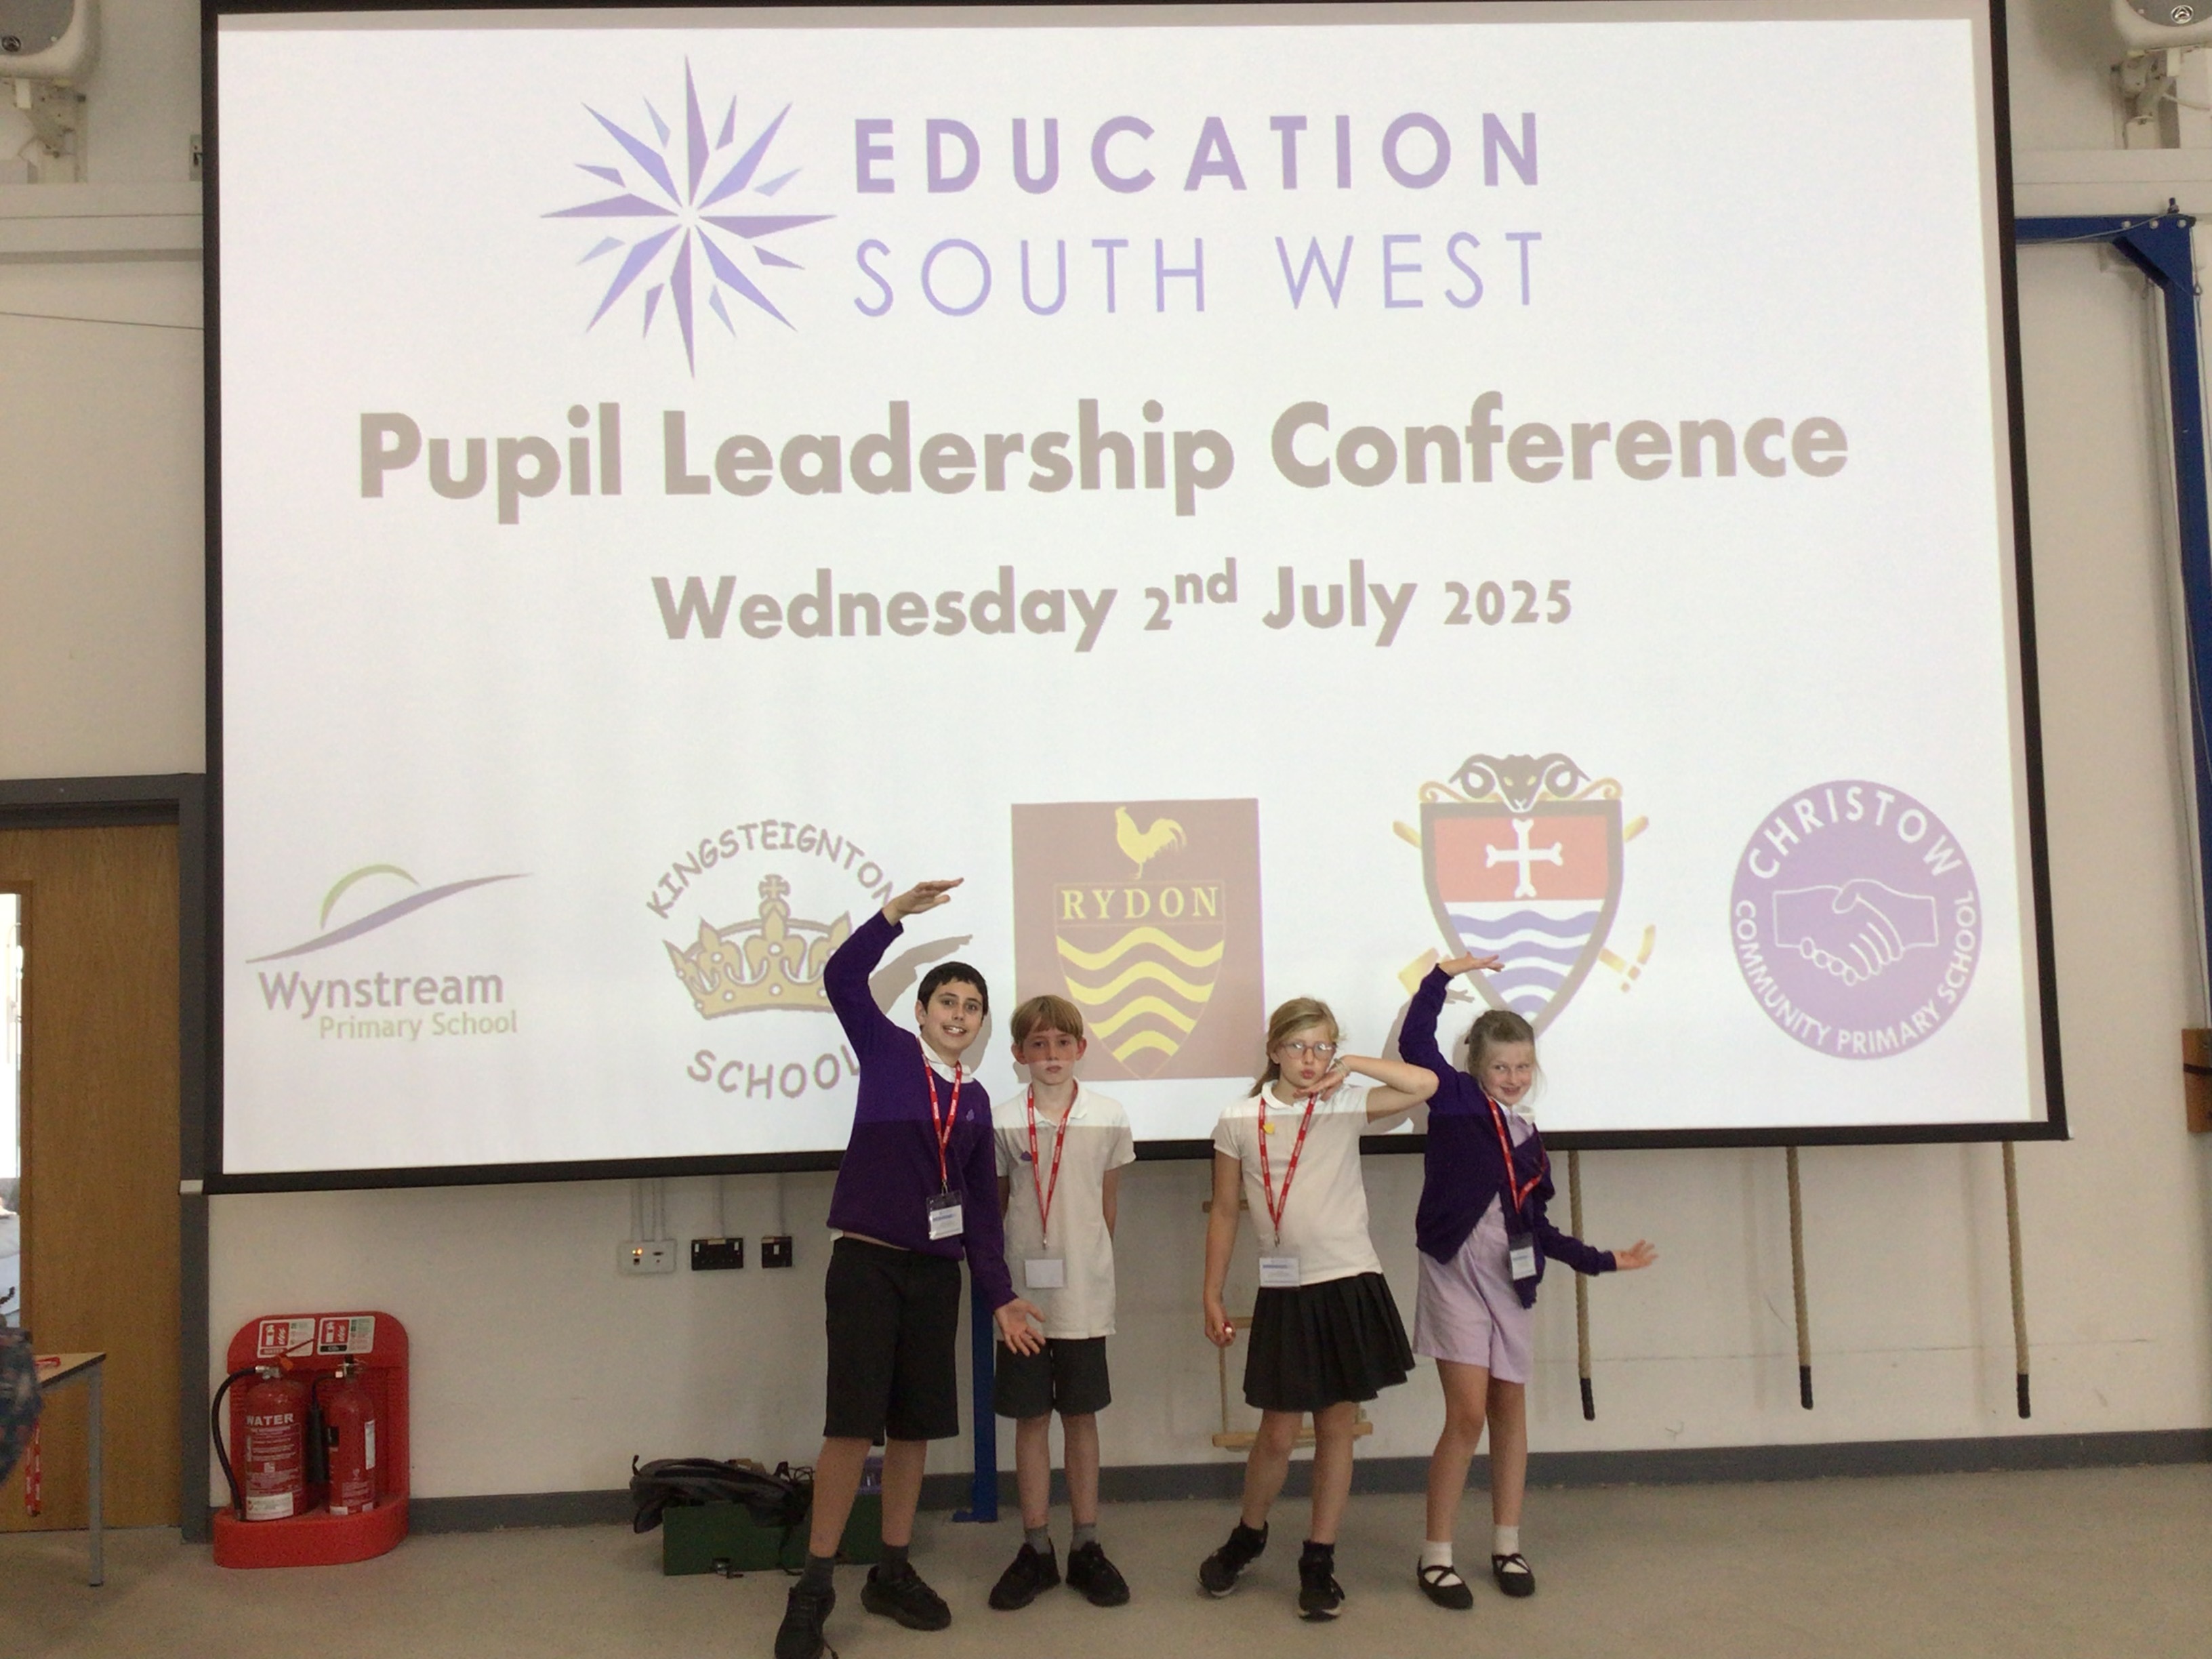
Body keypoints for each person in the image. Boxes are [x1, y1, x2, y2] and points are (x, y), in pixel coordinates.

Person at [776, 878, 1047, 1659]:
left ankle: (891, 1570)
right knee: (850, 1428)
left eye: (972, 1007)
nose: (959, 1014)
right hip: (867, 1266)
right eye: (947, 1002)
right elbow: (839, 977)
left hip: (934, 1278)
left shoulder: (976, 1098)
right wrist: (892, 916)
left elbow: (979, 1210)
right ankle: (814, 1587)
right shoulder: (889, 1052)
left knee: (914, 1428)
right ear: (922, 1012)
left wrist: (1000, 1296)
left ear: (982, 1024)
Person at [1398, 955, 1657, 1609]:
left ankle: (1507, 1544)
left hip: (1510, 1283)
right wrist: (1441, 975)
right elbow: (1415, 1042)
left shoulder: (1529, 1140)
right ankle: (1436, 1555)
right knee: (1466, 1414)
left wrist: (1600, 1260)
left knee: (1509, 1408)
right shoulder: (1454, 1101)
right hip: (1454, 1274)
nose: (1512, 1078)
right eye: (1500, 1067)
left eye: (1522, 1067)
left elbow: (1537, 1227)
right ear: (1476, 1067)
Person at [1197, 997, 1439, 1621]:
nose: (1310, 1059)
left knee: (1336, 1426)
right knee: (1277, 1432)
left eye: (1322, 1047)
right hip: (1285, 1291)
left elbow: (1425, 1084)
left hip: (1349, 1281)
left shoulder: (1342, 1103)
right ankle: (1249, 1535)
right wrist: (1212, 1291)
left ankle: (1319, 1557)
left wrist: (1350, 1066)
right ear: (1274, 1050)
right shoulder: (1240, 1117)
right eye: (1298, 1046)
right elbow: (1224, 1210)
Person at [985, 994, 1136, 1611]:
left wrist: (1089, 1268)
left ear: (1081, 1048)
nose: (1051, 1054)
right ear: (1018, 1053)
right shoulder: (1002, 1120)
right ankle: (1036, 1548)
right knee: (1030, 1420)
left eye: (1062, 1043)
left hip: (1084, 1297)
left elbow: (1107, 1206)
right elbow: (996, 1210)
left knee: (1080, 1417)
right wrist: (1004, 1290)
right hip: (1023, 1302)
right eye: (1038, 1044)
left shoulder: (1108, 1115)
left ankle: (1086, 1545)